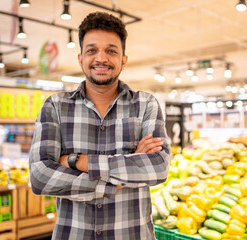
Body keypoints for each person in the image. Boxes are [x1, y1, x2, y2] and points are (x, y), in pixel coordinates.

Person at [29, 11, 170, 239]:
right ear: (81, 58)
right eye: (92, 50)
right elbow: (41, 177)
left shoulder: (145, 105)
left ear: (123, 60)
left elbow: (158, 167)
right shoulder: (55, 106)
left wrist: (77, 161)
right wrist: (124, 172)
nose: (101, 58)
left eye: (111, 51)